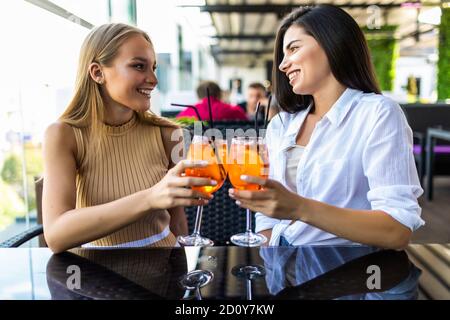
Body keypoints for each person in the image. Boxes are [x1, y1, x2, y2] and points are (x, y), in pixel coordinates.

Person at [228, 5, 424, 249]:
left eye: (294, 49)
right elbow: (266, 215)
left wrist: (300, 207)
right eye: (283, 55)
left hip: (348, 272)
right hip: (283, 271)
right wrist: (271, 268)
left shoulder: (377, 114)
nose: (282, 65)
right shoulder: (281, 124)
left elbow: (397, 230)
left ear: (332, 44)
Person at [42, 23, 214, 253]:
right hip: (95, 275)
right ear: (97, 72)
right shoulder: (64, 134)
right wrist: (151, 198)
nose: (153, 79)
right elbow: (56, 235)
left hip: (164, 270)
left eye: (153, 67)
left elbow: (178, 222)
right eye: (139, 66)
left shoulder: (168, 133)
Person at [176, 81, 248, 121]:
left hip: (195, 147)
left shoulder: (186, 113)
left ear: (198, 96)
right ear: (219, 94)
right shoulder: (235, 111)